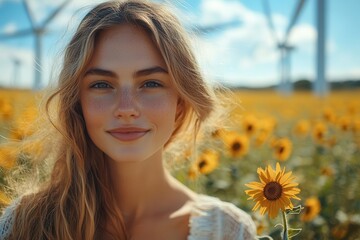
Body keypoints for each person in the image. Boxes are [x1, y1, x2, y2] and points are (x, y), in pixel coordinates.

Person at [0, 0, 256, 239]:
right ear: (78, 102)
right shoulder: (24, 222)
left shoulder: (228, 231)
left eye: (150, 83)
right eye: (101, 84)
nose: (126, 109)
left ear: (180, 102)